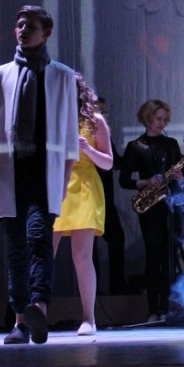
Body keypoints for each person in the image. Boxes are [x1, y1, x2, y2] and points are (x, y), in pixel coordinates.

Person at [0, 5, 78, 345]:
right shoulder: (0, 75)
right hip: (10, 173)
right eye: (20, 25)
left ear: (46, 33)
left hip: (45, 174)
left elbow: (69, 133)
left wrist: (64, 179)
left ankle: (39, 307)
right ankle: (20, 320)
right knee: (16, 248)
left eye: (30, 26)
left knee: (38, 239)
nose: (23, 30)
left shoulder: (62, 76)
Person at [52, 74, 113, 336]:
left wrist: (87, 148)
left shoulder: (95, 120)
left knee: (82, 256)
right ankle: (35, 314)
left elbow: (108, 163)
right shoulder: (51, 118)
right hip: (56, 186)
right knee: (44, 254)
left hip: (85, 187)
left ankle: (89, 318)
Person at [119, 99, 184, 322]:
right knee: (153, 257)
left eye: (165, 120)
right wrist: (146, 181)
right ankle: (152, 309)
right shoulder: (135, 146)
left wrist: (180, 177)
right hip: (150, 208)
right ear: (147, 118)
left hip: (171, 206)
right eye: (158, 119)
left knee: (169, 258)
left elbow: (182, 182)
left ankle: (166, 308)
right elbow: (124, 180)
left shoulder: (171, 144)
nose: (162, 123)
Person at [94, 96, 128, 294]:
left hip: (106, 201)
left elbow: (116, 162)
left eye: (105, 112)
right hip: (91, 200)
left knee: (116, 239)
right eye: (101, 111)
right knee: (89, 248)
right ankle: (94, 291)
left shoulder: (104, 135)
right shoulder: (86, 135)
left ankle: (117, 288)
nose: (104, 116)